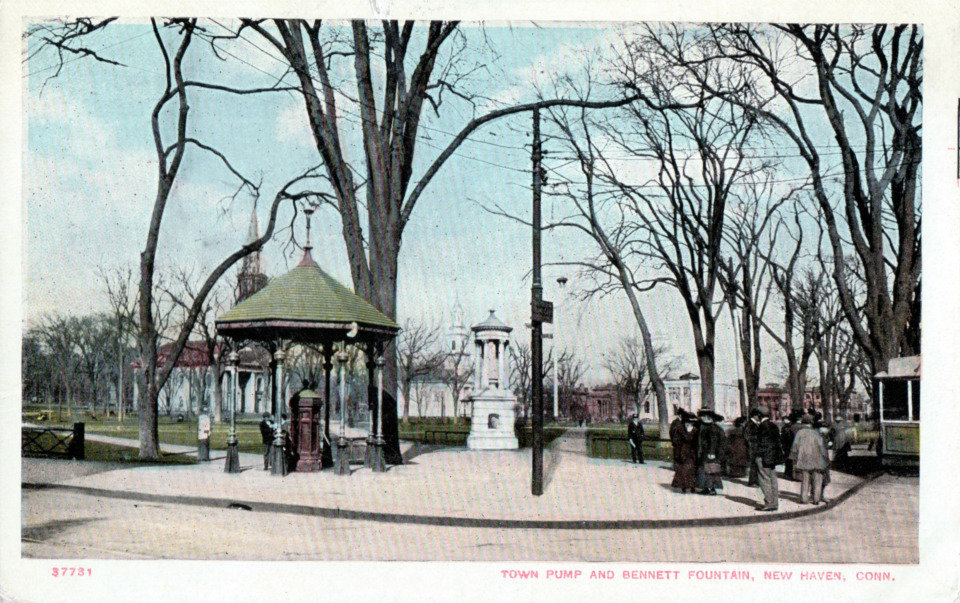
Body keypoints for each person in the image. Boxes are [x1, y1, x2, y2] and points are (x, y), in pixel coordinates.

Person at [790, 414, 830, 504]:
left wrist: (794, 459)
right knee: (817, 480)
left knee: (805, 480)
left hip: (804, 459)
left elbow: (794, 447)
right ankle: (816, 499)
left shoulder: (799, 433)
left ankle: (804, 499)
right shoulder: (816, 433)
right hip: (817, 459)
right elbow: (822, 447)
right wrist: (826, 459)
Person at [751, 406, 782, 512]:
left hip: (763, 457)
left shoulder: (762, 427)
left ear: (759, 415)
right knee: (773, 480)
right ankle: (774, 502)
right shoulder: (773, 426)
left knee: (764, 480)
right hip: (772, 457)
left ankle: (769, 503)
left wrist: (757, 454)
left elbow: (763, 444)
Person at [696, 409, 725, 495]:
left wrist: (712, 453)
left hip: (709, 453)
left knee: (710, 470)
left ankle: (711, 488)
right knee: (708, 470)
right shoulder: (706, 426)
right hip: (706, 452)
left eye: (704, 416)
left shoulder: (712, 428)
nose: (702, 418)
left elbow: (713, 441)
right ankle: (707, 488)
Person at [670, 410, 699, 493]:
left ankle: (692, 486)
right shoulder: (679, 429)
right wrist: (678, 450)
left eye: (691, 422)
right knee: (683, 469)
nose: (689, 423)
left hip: (692, 451)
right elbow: (676, 441)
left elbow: (698, 442)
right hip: (683, 451)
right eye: (688, 422)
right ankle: (684, 486)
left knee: (692, 469)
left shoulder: (695, 430)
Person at [743, 409, 760, 487]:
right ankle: (753, 481)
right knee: (754, 464)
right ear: (754, 416)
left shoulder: (754, 423)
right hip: (752, 447)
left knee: (755, 464)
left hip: (754, 447)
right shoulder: (750, 424)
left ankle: (755, 481)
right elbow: (747, 436)